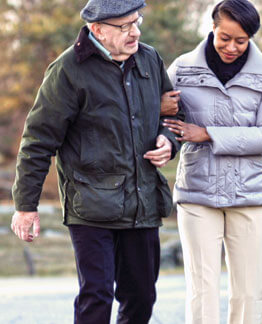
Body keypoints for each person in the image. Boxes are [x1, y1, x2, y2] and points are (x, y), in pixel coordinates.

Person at [9, 0, 183, 322]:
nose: (136, 31)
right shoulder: (67, 71)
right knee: (97, 296)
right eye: (125, 26)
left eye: (137, 21)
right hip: (90, 206)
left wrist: (167, 141)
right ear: (97, 30)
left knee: (142, 297)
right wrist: (25, 205)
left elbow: (172, 114)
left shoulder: (150, 59)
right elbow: (37, 141)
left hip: (142, 201)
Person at [162, 0, 262, 323]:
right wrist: (162, 118)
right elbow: (162, 120)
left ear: (251, 38)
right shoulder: (183, 69)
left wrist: (207, 134)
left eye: (241, 41)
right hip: (197, 193)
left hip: (250, 194)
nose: (231, 47)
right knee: (201, 289)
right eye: (224, 38)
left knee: (249, 290)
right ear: (212, 29)